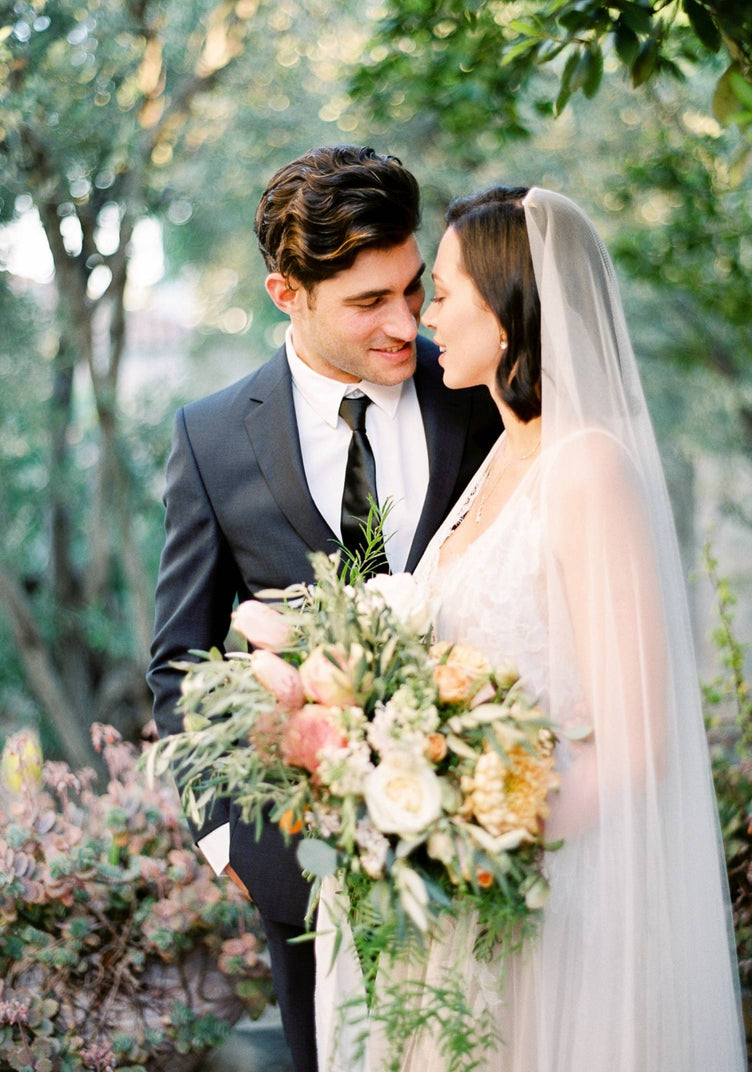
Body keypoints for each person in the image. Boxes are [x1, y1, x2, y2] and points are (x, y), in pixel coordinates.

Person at [319, 186, 748, 1071]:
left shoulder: (587, 470)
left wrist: (480, 847)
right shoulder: (503, 459)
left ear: (509, 309)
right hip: (474, 902)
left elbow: (639, 744)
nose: (424, 315)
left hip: (548, 897)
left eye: (440, 290)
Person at [146, 145, 501, 1072]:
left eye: (413, 289)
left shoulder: (477, 395)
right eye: (367, 302)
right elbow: (177, 660)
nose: (404, 323)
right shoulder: (212, 436)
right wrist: (227, 835)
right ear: (285, 293)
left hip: (494, 848)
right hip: (303, 869)